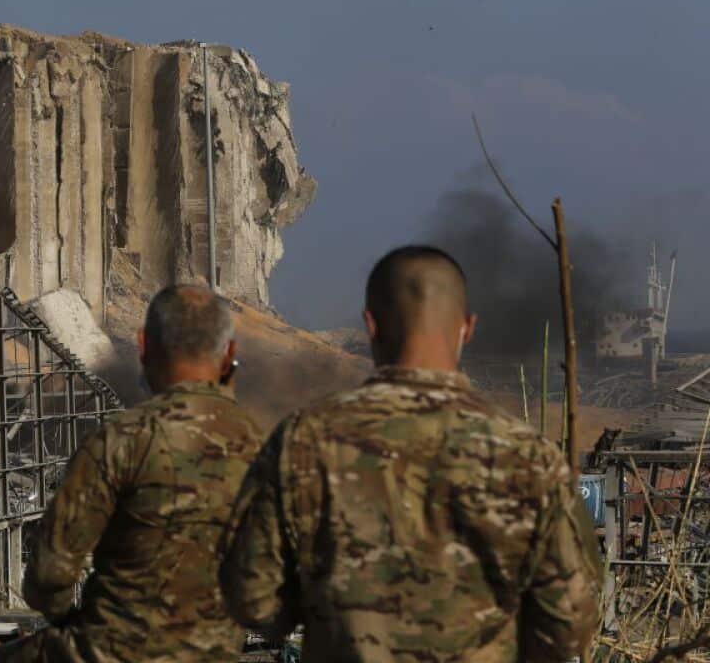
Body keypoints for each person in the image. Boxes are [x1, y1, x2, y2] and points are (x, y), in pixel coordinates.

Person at [220, 245, 603, 662]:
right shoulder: (529, 457)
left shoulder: (302, 442)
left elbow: (252, 598)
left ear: (371, 325)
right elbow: (570, 620)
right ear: (467, 328)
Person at [0, 285, 265, 662]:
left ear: (143, 345)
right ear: (230, 354)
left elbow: (48, 576)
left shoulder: (119, 440)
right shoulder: (262, 449)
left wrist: (72, 617)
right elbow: (268, 593)